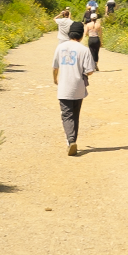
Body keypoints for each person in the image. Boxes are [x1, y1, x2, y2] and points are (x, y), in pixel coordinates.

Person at [53, 21, 95, 156]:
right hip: (78, 87)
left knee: (67, 115)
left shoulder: (60, 47)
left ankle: (70, 140)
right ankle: (73, 141)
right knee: (75, 115)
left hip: (64, 86)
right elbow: (89, 71)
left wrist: (55, 79)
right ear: (82, 35)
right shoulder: (84, 49)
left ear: (69, 33)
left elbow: (55, 67)